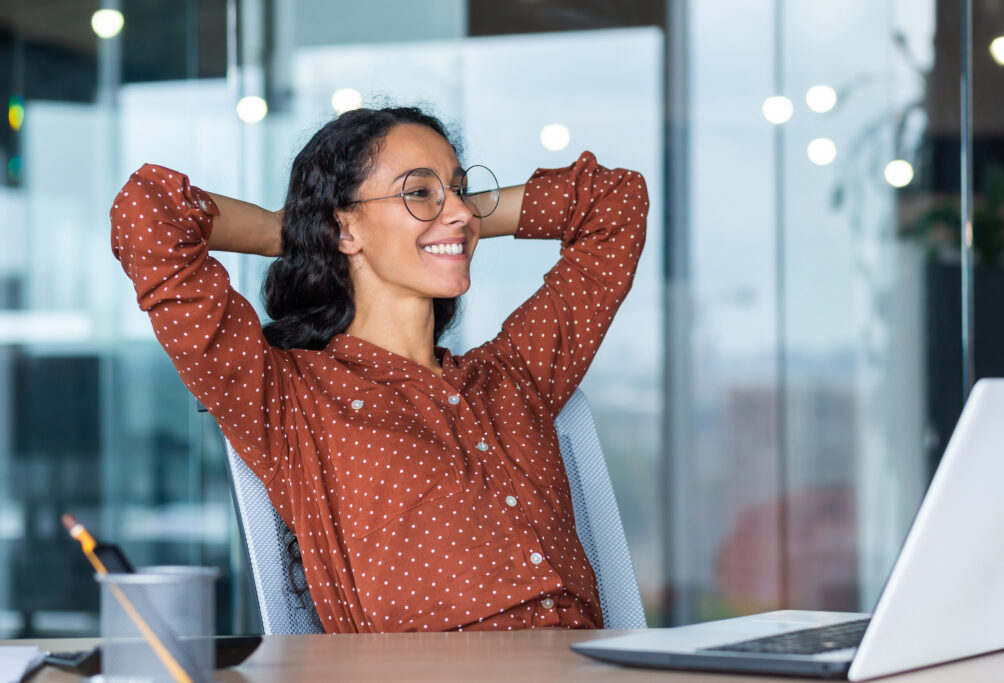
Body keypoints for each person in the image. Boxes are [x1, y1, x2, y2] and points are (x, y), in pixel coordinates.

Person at [110, 105, 648, 633]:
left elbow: (615, 202)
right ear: (344, 229)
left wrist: (456, 219)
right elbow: (149, 211)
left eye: (459, 189)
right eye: (419, 192)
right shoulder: (289, 400)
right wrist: (301, 231)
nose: (458, 209)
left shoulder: (514, 375)